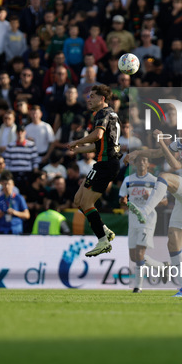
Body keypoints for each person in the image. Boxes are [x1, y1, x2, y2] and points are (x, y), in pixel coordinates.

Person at [125, 125, 182, 298]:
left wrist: (163, 142)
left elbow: (176, 164)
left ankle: (146, 210)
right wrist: (137, 153)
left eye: (181, 130)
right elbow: (157, 153)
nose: (178, 132)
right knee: (173, 243)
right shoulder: (180, 143)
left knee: (163, 176)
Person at [67, 85, 121, 257]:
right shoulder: (111, 114)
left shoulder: (103, 114)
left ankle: (102, 241)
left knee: (87, 203)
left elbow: (97, 135)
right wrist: (78, 149)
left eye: (92, 96)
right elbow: (98, 144)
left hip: (107, 165)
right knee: (78, 200)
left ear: (102, 99)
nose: (88, 99)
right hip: (101, 164)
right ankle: (105, 230)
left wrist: (77, 141)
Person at [119, 155, 168, 293]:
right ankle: (161, 266)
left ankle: (138, 287)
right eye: (139, 160)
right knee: (134, 257)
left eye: (144, 160)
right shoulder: (128, 180)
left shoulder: (154, 181)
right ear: (134, 164)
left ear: (148, 164)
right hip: (133, 219)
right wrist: (122, 201)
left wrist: (152, 199)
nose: (141, 162)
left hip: (147, 219)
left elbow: (165, 201)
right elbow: (121, 199)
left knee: (140, 253)